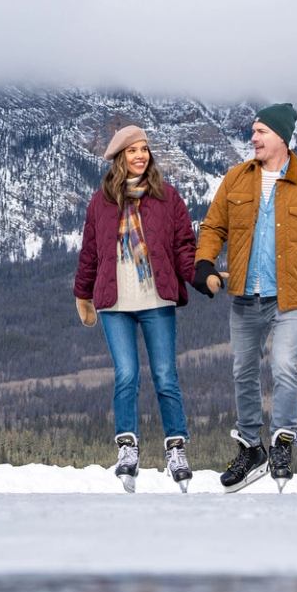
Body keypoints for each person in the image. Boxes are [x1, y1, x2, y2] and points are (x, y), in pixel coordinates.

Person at [192, 103, 297, 491]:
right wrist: (204, 263)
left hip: (291, 298)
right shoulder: (235, 179)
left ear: (282, 138)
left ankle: (282, 441)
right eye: (253, 132)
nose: (253, 138)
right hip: (246, 297)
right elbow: (214, 225)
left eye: (261, 132)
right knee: (243, 372)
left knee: (283, 366)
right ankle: (252, 448)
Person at [74, 124, 198, 491]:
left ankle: (176, 447)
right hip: (115, 303)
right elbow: (90, 254)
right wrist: (82, 295)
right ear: (119, 157)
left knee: (165, 375)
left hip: (156, 299)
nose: (140, 156)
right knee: (126, 374)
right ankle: (127, 447)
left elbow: (183, 247)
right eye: (132, 151)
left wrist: (199, 276)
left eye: (144, 149)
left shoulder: (167, 198)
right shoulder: (101, 202)